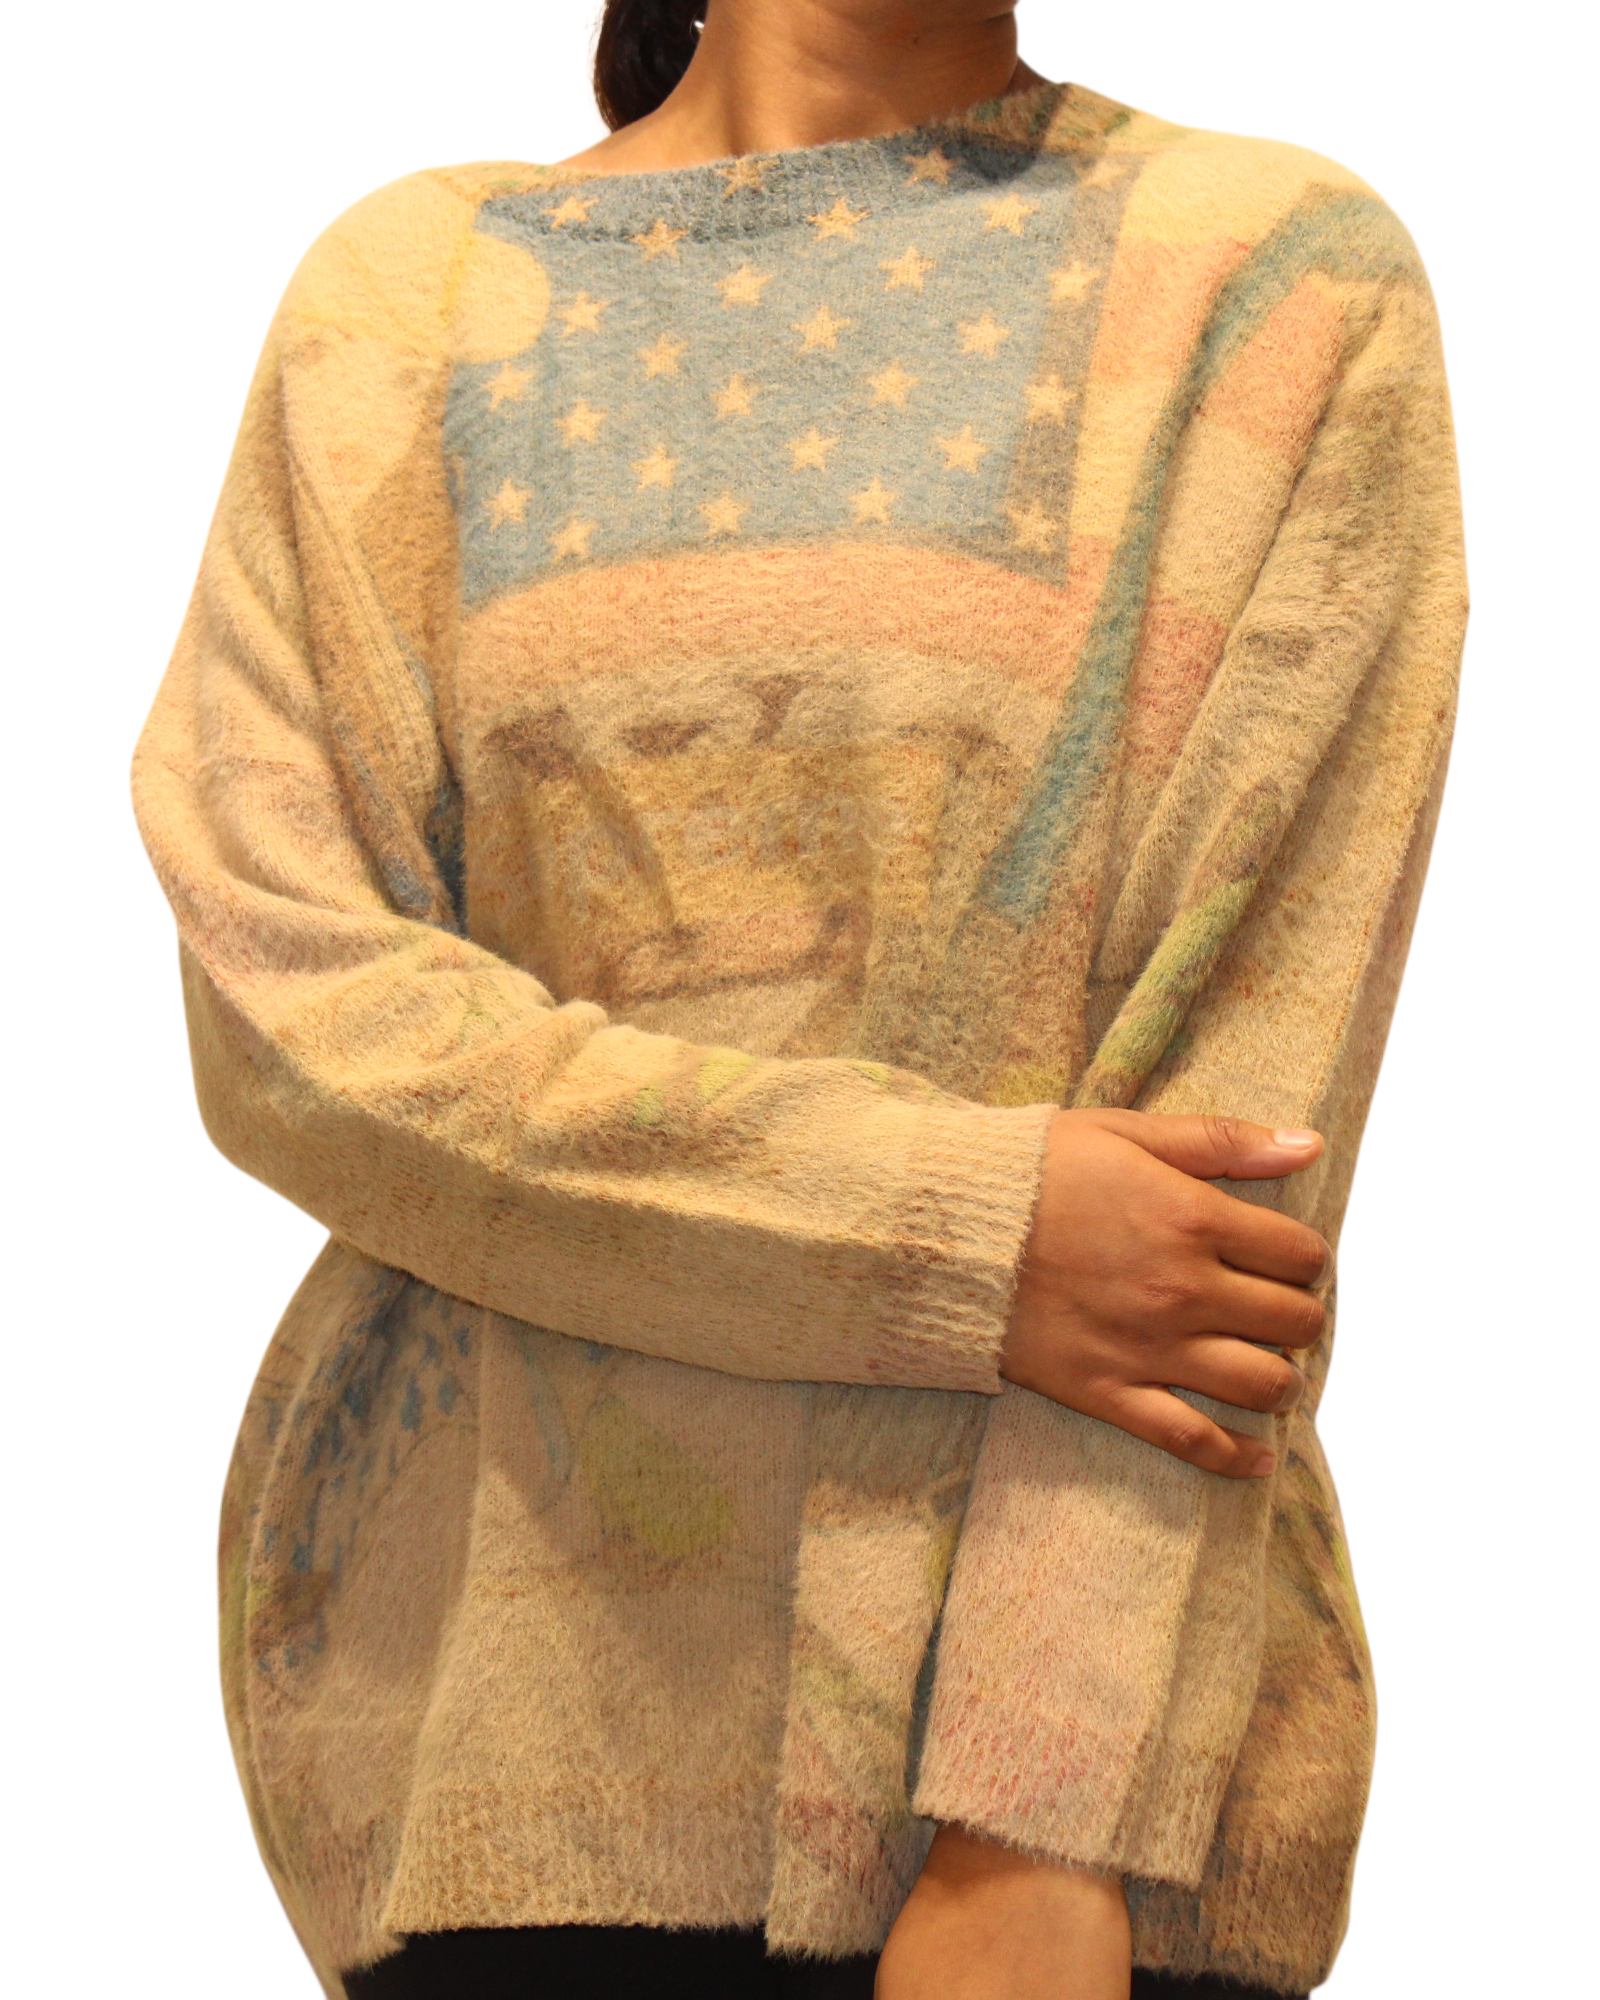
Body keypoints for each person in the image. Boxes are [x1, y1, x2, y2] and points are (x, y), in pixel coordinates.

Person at [127, 1, 1466, 1995]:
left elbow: (1236, 1162)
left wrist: (1040, 1819)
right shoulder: (408, 305)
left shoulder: (1272, 284)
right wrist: (955, 1234)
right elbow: (291, 1013)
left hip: (1082, 1837)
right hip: (511, 1775)